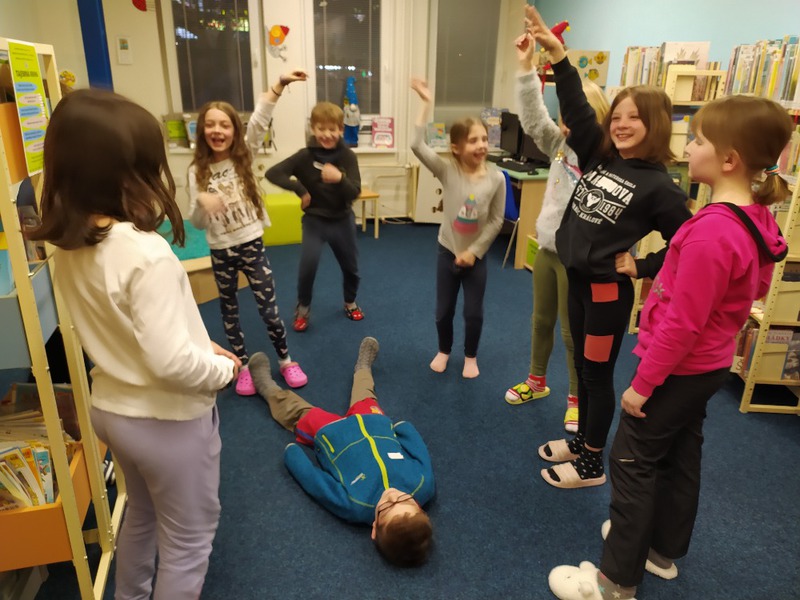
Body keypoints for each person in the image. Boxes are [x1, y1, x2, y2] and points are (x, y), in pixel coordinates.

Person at [547, 96, 793, 600]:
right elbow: (758, 286)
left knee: (631, 460)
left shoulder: (711, 230)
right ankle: (660, 552)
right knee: (680, 455)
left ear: (729, 159)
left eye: (699, 139)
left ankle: (614, 582)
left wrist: (642, 385)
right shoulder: (753, 219)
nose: (689, 146)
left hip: (679, 368)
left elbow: (683, 323)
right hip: (709, 364)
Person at [30, 88, 240, 600]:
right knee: (189, 541)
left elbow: (135, 331)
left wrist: (202, 346)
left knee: (142, 513)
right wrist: (222, 371)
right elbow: (170, 363)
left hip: (113, 412)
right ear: (124, 174)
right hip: (167, 421)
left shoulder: (71, 245)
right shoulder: (146, 253)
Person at [526, 5, 693, 489]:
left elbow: (688, 243)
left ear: (655, 125)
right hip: (579, 285)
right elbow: (579, 111)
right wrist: (558, 58)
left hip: (605, 295)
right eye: (616, 116)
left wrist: (643, 266)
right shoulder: (604, 157)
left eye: (633, 118)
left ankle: (592, 463)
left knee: (596, 377)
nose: (620, 125)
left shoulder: (660, 187)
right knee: (581, 368)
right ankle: (583, 441)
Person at [504, 30, 610, 437]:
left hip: (576, 259)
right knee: (540, 320)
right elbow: (533, 117)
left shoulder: (600, 159)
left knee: (571, 331)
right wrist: (525, 68)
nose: (566, 124)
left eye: (575, 116)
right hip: (547, 248)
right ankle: (536, 381)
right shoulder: (559, 146)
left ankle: (576, 397)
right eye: (564, 115)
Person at [249, 337, 435, 567]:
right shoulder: (423, 485)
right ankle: (363, 367)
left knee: (295, 410)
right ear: (420, 509)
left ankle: (266, 387)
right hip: (373, 422)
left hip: (332, 435)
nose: (392, 495)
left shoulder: (355, 506)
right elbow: (420, 453)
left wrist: (293, 456)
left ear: (374, 529)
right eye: (405, 500)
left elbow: (318, 485)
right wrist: (404, 429)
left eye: (387, 508)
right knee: (365, 392)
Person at [189, 70, 309, 395]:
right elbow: (197, 223)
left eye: (224, 125)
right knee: (229, 310)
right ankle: (241, 365)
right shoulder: (197, 171)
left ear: (234, 131)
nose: (217, 130)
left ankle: (285, 360)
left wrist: (279, 85)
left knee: (269, 310)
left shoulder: (244, 155)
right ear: (202, 130)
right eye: (210, 125)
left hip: (251, 246)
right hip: (221, 251)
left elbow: (260, 119)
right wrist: (201, 202)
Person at [410, 79, 506, 378]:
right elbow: (416, 145)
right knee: (443, 312)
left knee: (473, 313)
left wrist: (474, 252)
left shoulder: (497, 178)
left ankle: (470, 356)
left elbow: (496, 220)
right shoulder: (447, 170)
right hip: (447, 251)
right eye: (474, 140)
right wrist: (426, 103)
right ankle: (444, 350)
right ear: (456, 147)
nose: (482, 145)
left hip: (476, 258)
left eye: (484, 138)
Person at [265, 101, 364, 332]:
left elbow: (355, 192)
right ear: (313, 128)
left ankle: (350, 302)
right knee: (307, 267)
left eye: (332, 129)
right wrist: (299, 189)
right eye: (321, 128)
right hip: (315, 221)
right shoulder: (304, 156)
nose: (327, 134)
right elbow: (273, 173)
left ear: (341, 129)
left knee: (351, 267)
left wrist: (339, 178)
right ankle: (303, 309)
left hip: (342, 219)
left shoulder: (348, 156)